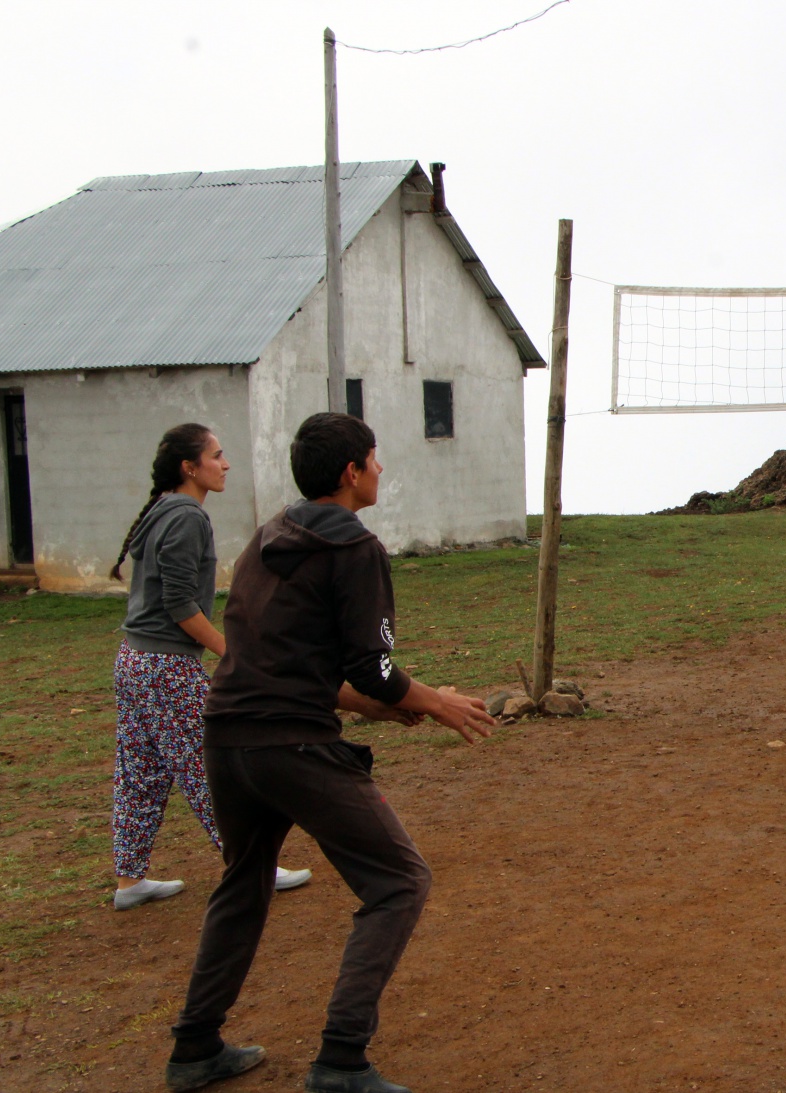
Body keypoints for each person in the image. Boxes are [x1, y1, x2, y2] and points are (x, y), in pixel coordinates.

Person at [165, 413, 497, 1093]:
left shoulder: (266, 539)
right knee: (399, 880)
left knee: (244, 881)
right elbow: (372, 669)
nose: (380, 470)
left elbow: (284, 663)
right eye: (374, 460)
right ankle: (342, 1059)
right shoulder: (356, 549)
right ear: (351, 472)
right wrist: (432, 700)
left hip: (228, 736)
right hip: (291, 745)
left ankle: (194, 1046)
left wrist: (390, 704)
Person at [109, 425, 311, 911]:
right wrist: (232, 652)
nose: (225, 464)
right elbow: (180, 604)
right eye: (217, 456)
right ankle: (253, 864)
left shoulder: (162, 510)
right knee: (212, 766)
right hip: (165, 666)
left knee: (141, 771)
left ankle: (129, 882)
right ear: (189, 467)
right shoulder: (187, 517)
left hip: (134, 661)